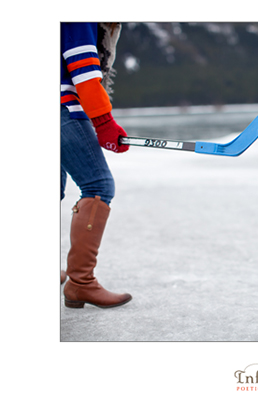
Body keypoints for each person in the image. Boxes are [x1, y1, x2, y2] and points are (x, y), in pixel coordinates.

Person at [61, 22, 132, 308]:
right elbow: (83, 66)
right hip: (62, 107)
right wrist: (103, 122)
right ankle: (81, 283)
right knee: (98, 185)